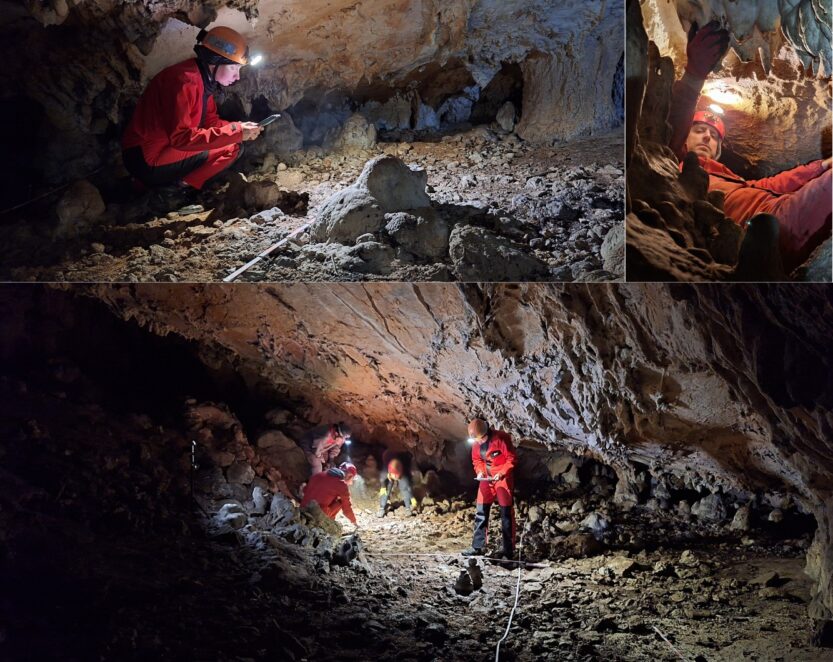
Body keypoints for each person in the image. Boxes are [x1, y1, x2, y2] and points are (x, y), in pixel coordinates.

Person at [668, 21, 832, 272]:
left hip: (779, 215)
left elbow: (772, 184)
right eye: (699, 131)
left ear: (720, 150)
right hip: (762, 229)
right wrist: (694, 74)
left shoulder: (731, 179)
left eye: (713, 136)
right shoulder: (673, 165)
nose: (705, 138)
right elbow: (675, 123)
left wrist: (820, 165)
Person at [122, 26, 263, 199]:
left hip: (159, 151)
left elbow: (210, 122)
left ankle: (161, 186)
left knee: (232, 143)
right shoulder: (183, 82)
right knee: (231, 146)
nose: (237, 77)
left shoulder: (203, 81)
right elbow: (181, 138)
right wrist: (235, 132)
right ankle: (172, 191)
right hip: (146, 159)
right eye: (234, 68)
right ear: (215, 61)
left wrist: (239, 127)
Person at [461, 419, 516, 560]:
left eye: (480, 439)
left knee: (506, 514)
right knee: (481, 511)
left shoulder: (501, 438)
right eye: (476, 440)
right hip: (486, 478)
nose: (478, 442)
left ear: (486, 433)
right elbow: (477, 460)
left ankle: (508, 551)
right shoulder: (476, 443)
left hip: (502, 478)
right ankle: (477, 547)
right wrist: (479, 472)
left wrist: (502, 473)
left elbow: (511, 458)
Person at [300, 462, 358, 529]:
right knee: (340, 502)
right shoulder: (341, 485)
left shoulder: (319, 474)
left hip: (302, 510)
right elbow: (346, 508)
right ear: (349, 476)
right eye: (352, 479)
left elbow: (305, 490)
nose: (351, 483)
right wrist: (354, 521)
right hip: (317, 515)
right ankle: (329, 522)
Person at [377, 450, 416, 518]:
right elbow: (382, 480)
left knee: (404, 490)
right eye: (394, 476)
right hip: (390, 474)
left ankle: (408, 509)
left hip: (401, 473)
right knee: (386, 491)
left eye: (397, 476)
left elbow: (407, 488)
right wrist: (383, 487)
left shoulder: (404, 473)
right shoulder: (385, 471)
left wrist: (412, 498)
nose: (395, 478)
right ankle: (382, 509)